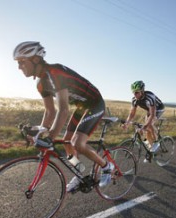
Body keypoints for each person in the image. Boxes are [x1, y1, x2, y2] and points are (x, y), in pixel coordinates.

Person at [13, 41, 114, 192]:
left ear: (35, 59)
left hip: (95, 103)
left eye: (22, 62)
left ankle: (107, 166)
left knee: (77, 143)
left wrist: (50, 137)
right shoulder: (41, 84)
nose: (19, 67)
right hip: (82, 107)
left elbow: (64, 110)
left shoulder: (56, 73)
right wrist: (41, 131)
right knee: (67, 143)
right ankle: (79, 171)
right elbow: (50, 112)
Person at [122, 80, 165, 155]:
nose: (135, 94)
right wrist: (127, 123)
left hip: (158, 109)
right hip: (150, 110)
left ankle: (156, 142)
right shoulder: (134, 100)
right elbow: (132, 113)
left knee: (149, 124)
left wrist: (144, 127)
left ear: (142, 91)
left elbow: (152, 115)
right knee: (147, 128)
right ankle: (151, 150)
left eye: (137, 92)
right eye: (133, 92)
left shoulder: (150, 97)